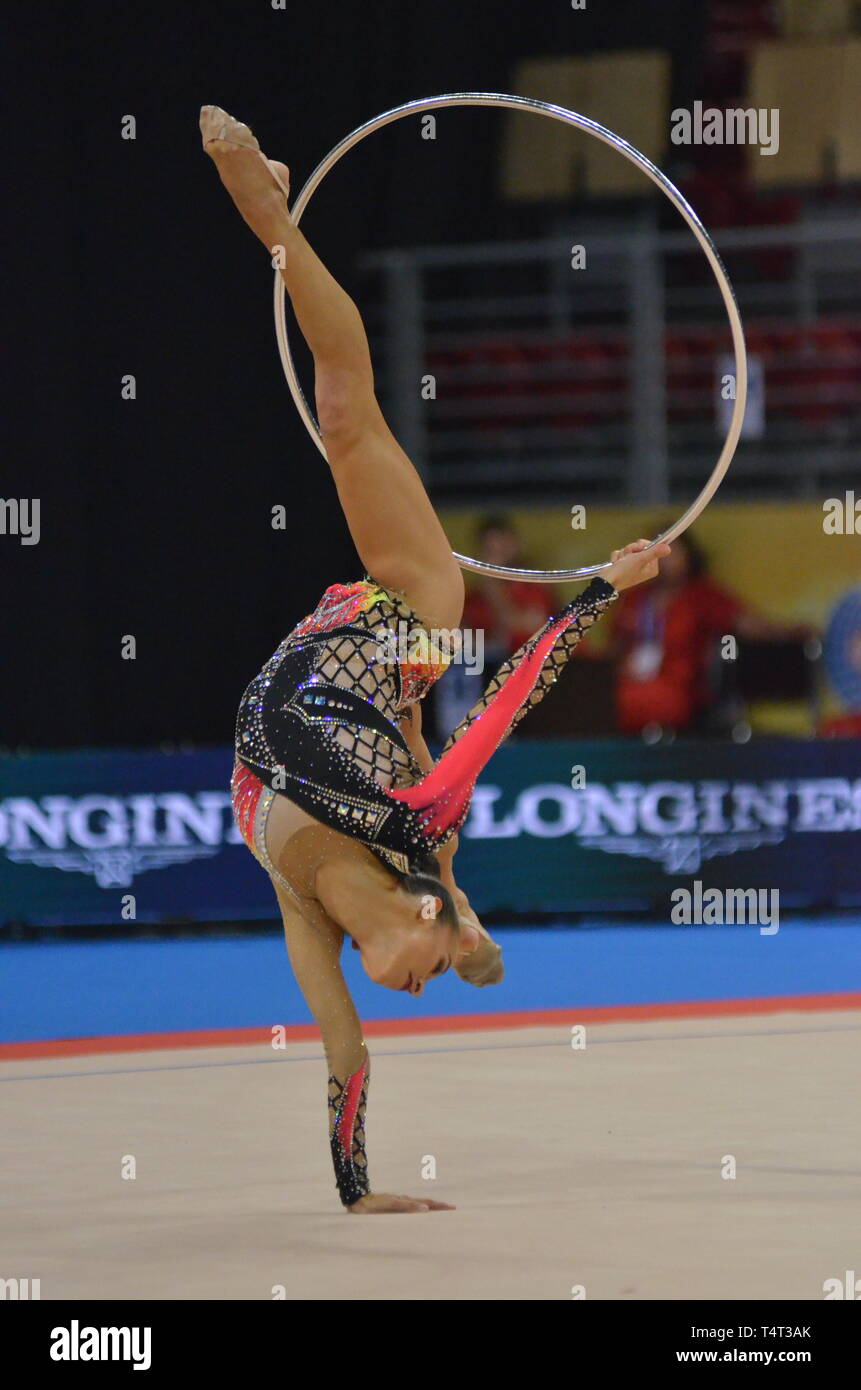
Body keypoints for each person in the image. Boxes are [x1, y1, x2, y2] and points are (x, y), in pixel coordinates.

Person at [201, 106, 671, 1213]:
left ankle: (274, 211)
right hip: (402, 622)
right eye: (435, 963)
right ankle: (267, 211)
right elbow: (515, 690)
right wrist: (605, 584)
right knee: (346, 400)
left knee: (348, 407)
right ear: (418, 917)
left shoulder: (305, 906)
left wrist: (360, 1192)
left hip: (326, 696)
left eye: (426, 975)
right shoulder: (423, 821)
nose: (409, 993)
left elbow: (346, 1056)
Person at [604, 530, 813, 736]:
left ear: (689, 556)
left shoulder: (702, 595)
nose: (664, 562)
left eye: (670, 554)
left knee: (625, 705)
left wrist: (789, 631)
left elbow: (748, 625)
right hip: (629, 684)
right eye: (655, 555)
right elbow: (614, 648)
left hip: (682, 691)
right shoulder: (633, 598)